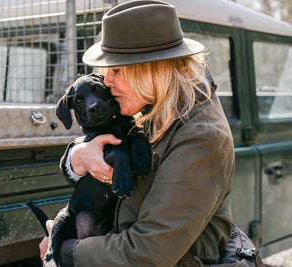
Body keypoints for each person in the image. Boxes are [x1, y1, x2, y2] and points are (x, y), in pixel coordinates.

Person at [40, 1, 260, 266]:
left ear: (155, 69)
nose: (106, 82)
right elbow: (97, 149)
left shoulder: (201, 137)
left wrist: (65, 252)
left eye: (117, 70)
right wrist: (77, 157)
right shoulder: (154, 106)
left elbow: (148, 251)